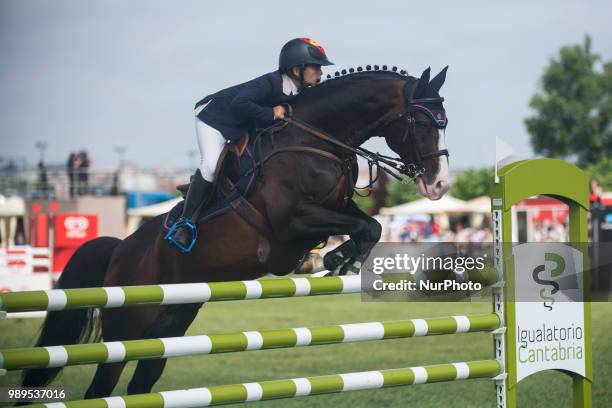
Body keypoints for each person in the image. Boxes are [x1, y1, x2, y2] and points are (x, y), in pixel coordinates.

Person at [167, 37, 334, 250]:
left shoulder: (296, 90)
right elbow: (240, 103)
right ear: (296, 70)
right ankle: (185, 223)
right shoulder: (270, 83)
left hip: (241, 125)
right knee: (210, 166)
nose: (320, 73)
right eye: (316, 68)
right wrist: (271, 113)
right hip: (215, 118)